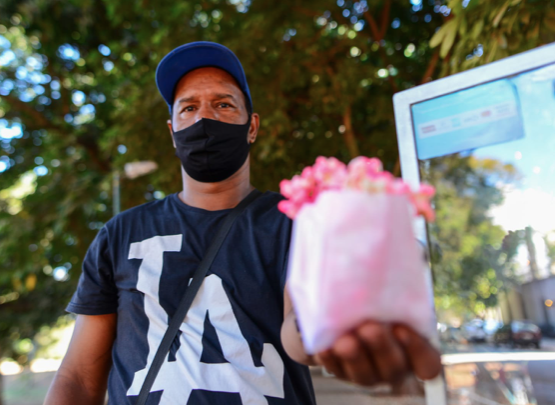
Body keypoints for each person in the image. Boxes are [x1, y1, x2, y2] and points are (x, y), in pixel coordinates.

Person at [44, 41, 441, 405]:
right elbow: (79, 375)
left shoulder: (296, 221)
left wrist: (332, 329)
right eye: (188, 108)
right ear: (172, 131)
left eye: (223, 105)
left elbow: (298, 327)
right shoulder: (120, 234)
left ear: (251, 127)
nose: (204, 118)